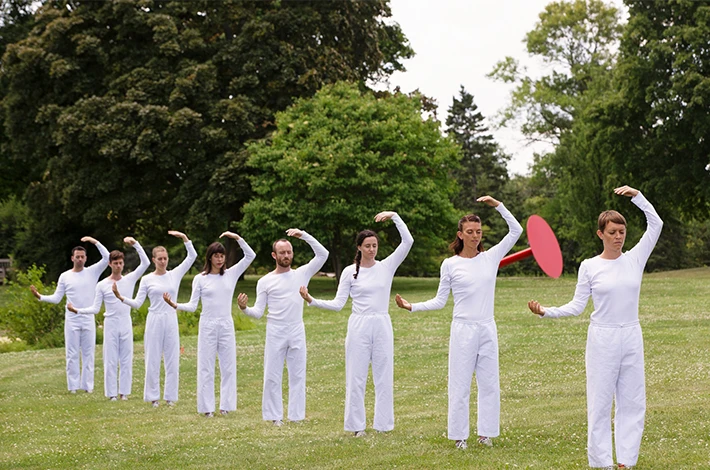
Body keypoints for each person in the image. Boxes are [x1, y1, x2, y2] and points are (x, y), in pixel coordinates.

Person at [527, 185, 662, 469]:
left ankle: (625, 461)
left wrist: (638, 197)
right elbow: (577, 306)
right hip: (602, 338)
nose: (618, 237)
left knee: (633, 401)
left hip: (631, 334)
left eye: (622, 232)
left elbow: (656, 223)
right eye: (612, 232)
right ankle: (602, 463)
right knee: (600, 403)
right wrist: (546, 312)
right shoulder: (589, 266)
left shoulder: (635, 259)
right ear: (601, 234)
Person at [394, 196, 523, 450]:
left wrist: (498, 206)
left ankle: (486, 433)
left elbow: (516, 230)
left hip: (487, 327)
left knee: (489, 384)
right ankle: (459, 436)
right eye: (470, 232)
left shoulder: (491, 257)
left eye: (478, 231)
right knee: (460, 384)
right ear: (460, 234)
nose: (475, 236)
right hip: (462, 329)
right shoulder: (450, 265)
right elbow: (441, 301)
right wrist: (413, 307)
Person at [299, 212, 413, 436]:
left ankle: (383, 425)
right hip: (358, 325)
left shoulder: (386, 266)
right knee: (356, 377)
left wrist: (395, 217)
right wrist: (312, 301)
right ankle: (356, 426)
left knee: (383, 375)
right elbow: (338, 304)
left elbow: (407, 241)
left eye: (375, 245)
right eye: (368, 245)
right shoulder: (349, 272)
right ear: (359, 247)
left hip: (382, 323)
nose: (372, 249)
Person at [237, 229, 329, 426]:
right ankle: (274, 416)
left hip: (296, 328)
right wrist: (244, 309)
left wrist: (304, 235)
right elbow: (258, 312)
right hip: (275, 330)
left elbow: (323, 254)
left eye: (289, 252)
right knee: (272, 375)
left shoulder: (302, 273)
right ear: (274, 255)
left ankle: (296, 416)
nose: (286, 255)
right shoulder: (265, 281)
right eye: (282, 252)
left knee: (297, 374)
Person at [163, 232, 255, 417]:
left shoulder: (231, 274)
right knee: (205, 366)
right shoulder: (200, 279)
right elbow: (192, 305)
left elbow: (250, 255)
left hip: (226, 324)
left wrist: (236, 238)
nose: (220, 259)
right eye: (216, 256)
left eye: (222, 256)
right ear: (210, 257)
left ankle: (226, 406)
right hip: (207, 325)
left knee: (228, 367)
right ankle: (207, 408)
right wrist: (175, 305)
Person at [112, 231, 197, 407]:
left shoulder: (175, 274)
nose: (163, 261)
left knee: (173, 358)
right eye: (160, 259)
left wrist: (184, 238)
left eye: (165, 258)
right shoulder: (146, 279)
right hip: (154, 319)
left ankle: (170, 397)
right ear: (154, 260)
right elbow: (137, 303)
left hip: (170, 318)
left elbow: (192, 256)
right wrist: (121, 297)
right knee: (152, 358)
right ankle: (153, 397)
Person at [67, 237, 150, 401]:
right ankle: (111, 393)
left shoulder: (130, 279)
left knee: (126, 359)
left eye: (120, 263)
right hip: (110, 323)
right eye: (115, 263)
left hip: (125, 321)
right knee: (111, 360)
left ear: (123, 264)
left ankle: (124, 392)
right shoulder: (102, 285)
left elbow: (146, 263)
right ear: (110, 264)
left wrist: (135, 244)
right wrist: (77, 310)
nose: (118, 266)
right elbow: (95, 308)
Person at [31, 237, 109, 393]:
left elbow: (107, 257)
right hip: (72, 320)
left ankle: (88, 386)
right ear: (72, 258)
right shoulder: (65, 276)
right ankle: (73, 387)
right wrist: (41, 297)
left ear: (86, 258)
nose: (80, 259)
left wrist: (94, 241)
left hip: (87, 317)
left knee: (88, 353)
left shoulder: (92, 272)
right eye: (77, 257)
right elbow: (57, 298)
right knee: (72, 353)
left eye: (82, 257)